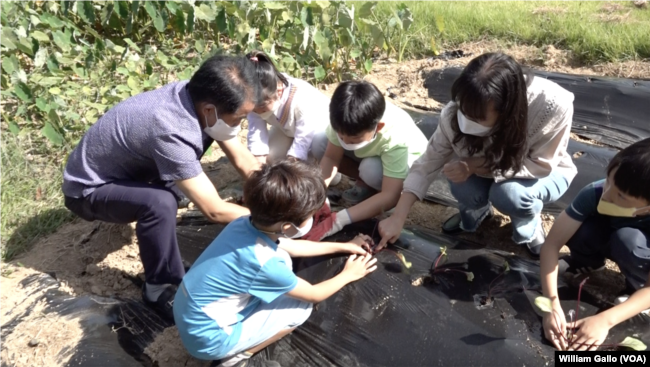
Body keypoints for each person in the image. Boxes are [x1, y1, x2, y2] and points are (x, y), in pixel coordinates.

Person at [62, 55, 262, 320]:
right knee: (160, 203)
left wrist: (277, 195)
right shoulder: (171, 129)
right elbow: (214, 211)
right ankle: (158, 285)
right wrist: (270, 220)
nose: (240, 125)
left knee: (178, 189)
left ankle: (162, 237)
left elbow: (241, 158)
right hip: (89, 190)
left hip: (133, 172)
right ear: (210, 110)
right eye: (238, 118)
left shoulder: (195, 96)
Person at [173, 160, 377, 367]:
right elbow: (314, 294)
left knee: (284, 256)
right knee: (300, 308)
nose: (312, 220)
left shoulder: (243, 223)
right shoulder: (265, 263)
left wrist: (344, 246)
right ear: (288, 226)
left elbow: (294, 247)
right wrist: (348, 274)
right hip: (209, 340)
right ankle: (236, 358)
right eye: (310, 217)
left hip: (190, 314)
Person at [377, 52, 577, 256]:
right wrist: (398, 216)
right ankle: (477, 215)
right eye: (463, 108)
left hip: (539, 173)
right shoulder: (453, 115)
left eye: (478, 117)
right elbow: (427, 163)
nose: (465, 119)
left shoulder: (550, 106)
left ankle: (528, 226)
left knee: (510, 194)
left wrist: (474, 165)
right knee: (460, 182)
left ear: (507, 110)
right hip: (487, 171)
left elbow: (540, 164)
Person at [540, 138, 650, 351]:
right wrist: (551, 305)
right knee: (582, 228)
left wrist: (605, 320)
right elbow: (552, 245)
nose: (607, 194)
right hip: (608, 235)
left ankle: (636, 289)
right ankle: (589, 262)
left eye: (621, 195)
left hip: (638, 249)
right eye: (609, 180)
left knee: (629, 242)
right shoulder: (595, 192)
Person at [306, 81, 428, 241]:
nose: (345, 141)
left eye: (354, 138)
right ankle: (365, 183)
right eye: (341, 136)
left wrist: (339, 220)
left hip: (408, 161)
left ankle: (372, 188)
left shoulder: (395, 137)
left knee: (371, 169)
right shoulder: (344, 118)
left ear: (378, 127)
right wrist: (317, 196)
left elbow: (391, 195)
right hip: (370, 152)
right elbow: (330, 157)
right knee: (319, 143)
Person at [246, 51, 331, 164]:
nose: (257, 111)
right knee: (271, 160)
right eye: (253, 109)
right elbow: (256, 132)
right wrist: (259, 164)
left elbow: (304, 137)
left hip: (318, 131)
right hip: (286, 130)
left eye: (262, 107)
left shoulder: (302, 98)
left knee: (315, 172)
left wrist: (293, 162)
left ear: (279, 90)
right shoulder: (254, 97)